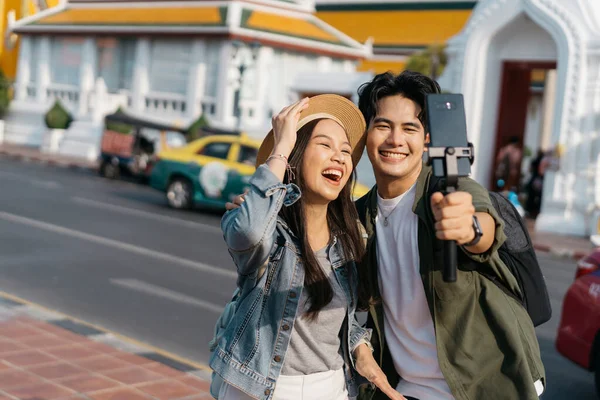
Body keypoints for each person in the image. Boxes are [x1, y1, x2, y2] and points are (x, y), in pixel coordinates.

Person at [353, 71, 545, 400]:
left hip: (488, 383)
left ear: (427, 139)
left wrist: (469, 227)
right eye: (383, 126)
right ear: (366, 134)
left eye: (410, 128)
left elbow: (484, 227)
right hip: (408, 388)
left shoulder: (449, 188)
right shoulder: (360, 216)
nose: (395, 140)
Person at [211, 94, 405, 400]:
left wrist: (362, 351)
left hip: (331, 387)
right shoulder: (268, 229)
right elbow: (247, 232)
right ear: (296, 156)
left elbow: (348, 319)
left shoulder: (351, 237)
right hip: (262, 388)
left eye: (345, 151)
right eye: (325, 145)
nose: (340, 157)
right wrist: (281, 146)